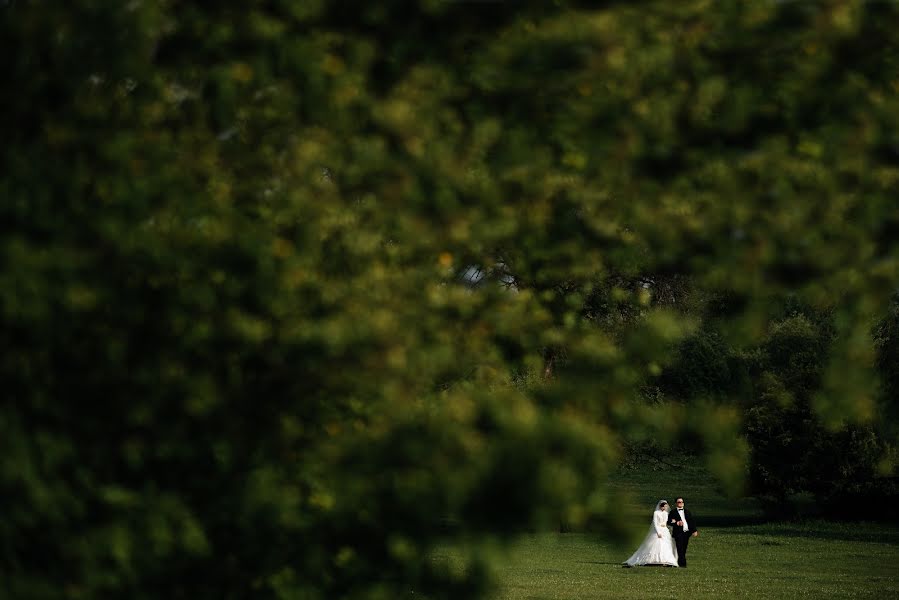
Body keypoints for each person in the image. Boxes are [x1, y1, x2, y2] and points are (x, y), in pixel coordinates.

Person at [622, 500, 678, 567]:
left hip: (664, 530)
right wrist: (658, 532)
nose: (666, 508)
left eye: (666, 506)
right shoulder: (656, 513)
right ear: (661, 506)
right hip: (658, 530)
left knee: (665, 545)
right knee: (657, 543)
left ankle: (664, 559)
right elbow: (655, 523)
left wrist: (673, 521)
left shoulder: (666, 513)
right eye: (664, 506)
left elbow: (667, 521)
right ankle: (653, 559)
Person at [668, 497, 698, 567]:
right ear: (676, 503)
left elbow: (691, 521)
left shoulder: (687, 511)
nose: (681, 503)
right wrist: (677, 523)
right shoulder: (673, 512)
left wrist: (694, 530)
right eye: (679, 502)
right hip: (678, 533)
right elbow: (669, 521)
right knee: (680, 548)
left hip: (687, 533)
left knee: (684, 548)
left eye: (682, 502)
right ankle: (682, 564)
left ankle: (680, 561)